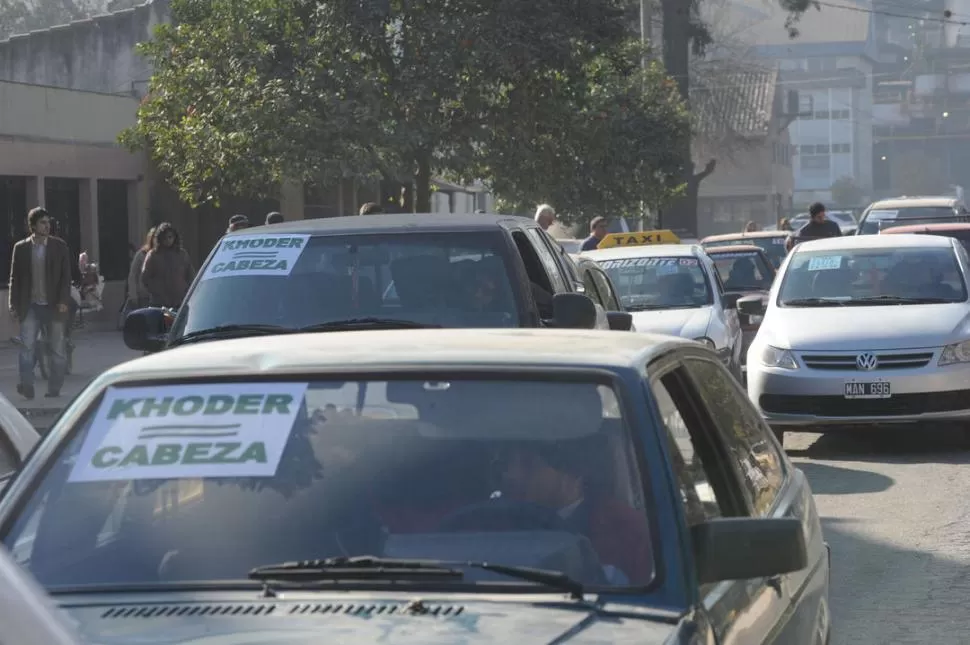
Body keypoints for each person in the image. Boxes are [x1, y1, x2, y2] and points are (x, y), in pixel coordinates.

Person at [8, 207, 72, 400]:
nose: (47, 226)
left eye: (48, 222)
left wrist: (63, 301)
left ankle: (54, 389)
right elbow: (15, 278)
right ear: (33, 225)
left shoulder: (59, 246)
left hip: (54, 305)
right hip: (31, 306)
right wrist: (13, 304)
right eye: (43, 222)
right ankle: (27, 385)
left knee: (57, 349)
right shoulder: (21, 248)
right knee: (27, 347)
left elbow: (65, 277)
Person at [141, 222, 195, 308]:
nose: (168, 240)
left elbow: (191, 275)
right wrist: (156, 290)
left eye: (170, 237)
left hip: (179, 302)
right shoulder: (153, 255)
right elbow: (145, 278)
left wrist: (185, 290)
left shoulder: (182, 254)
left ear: (174, 237)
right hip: (159, 303)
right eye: (164, 237)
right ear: (160, 239)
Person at [126, 227, 155, 310]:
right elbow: (133, 275)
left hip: (160, 298)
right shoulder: (141, 254)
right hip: (143, 298)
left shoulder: (165, 255)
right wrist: (133, 296)